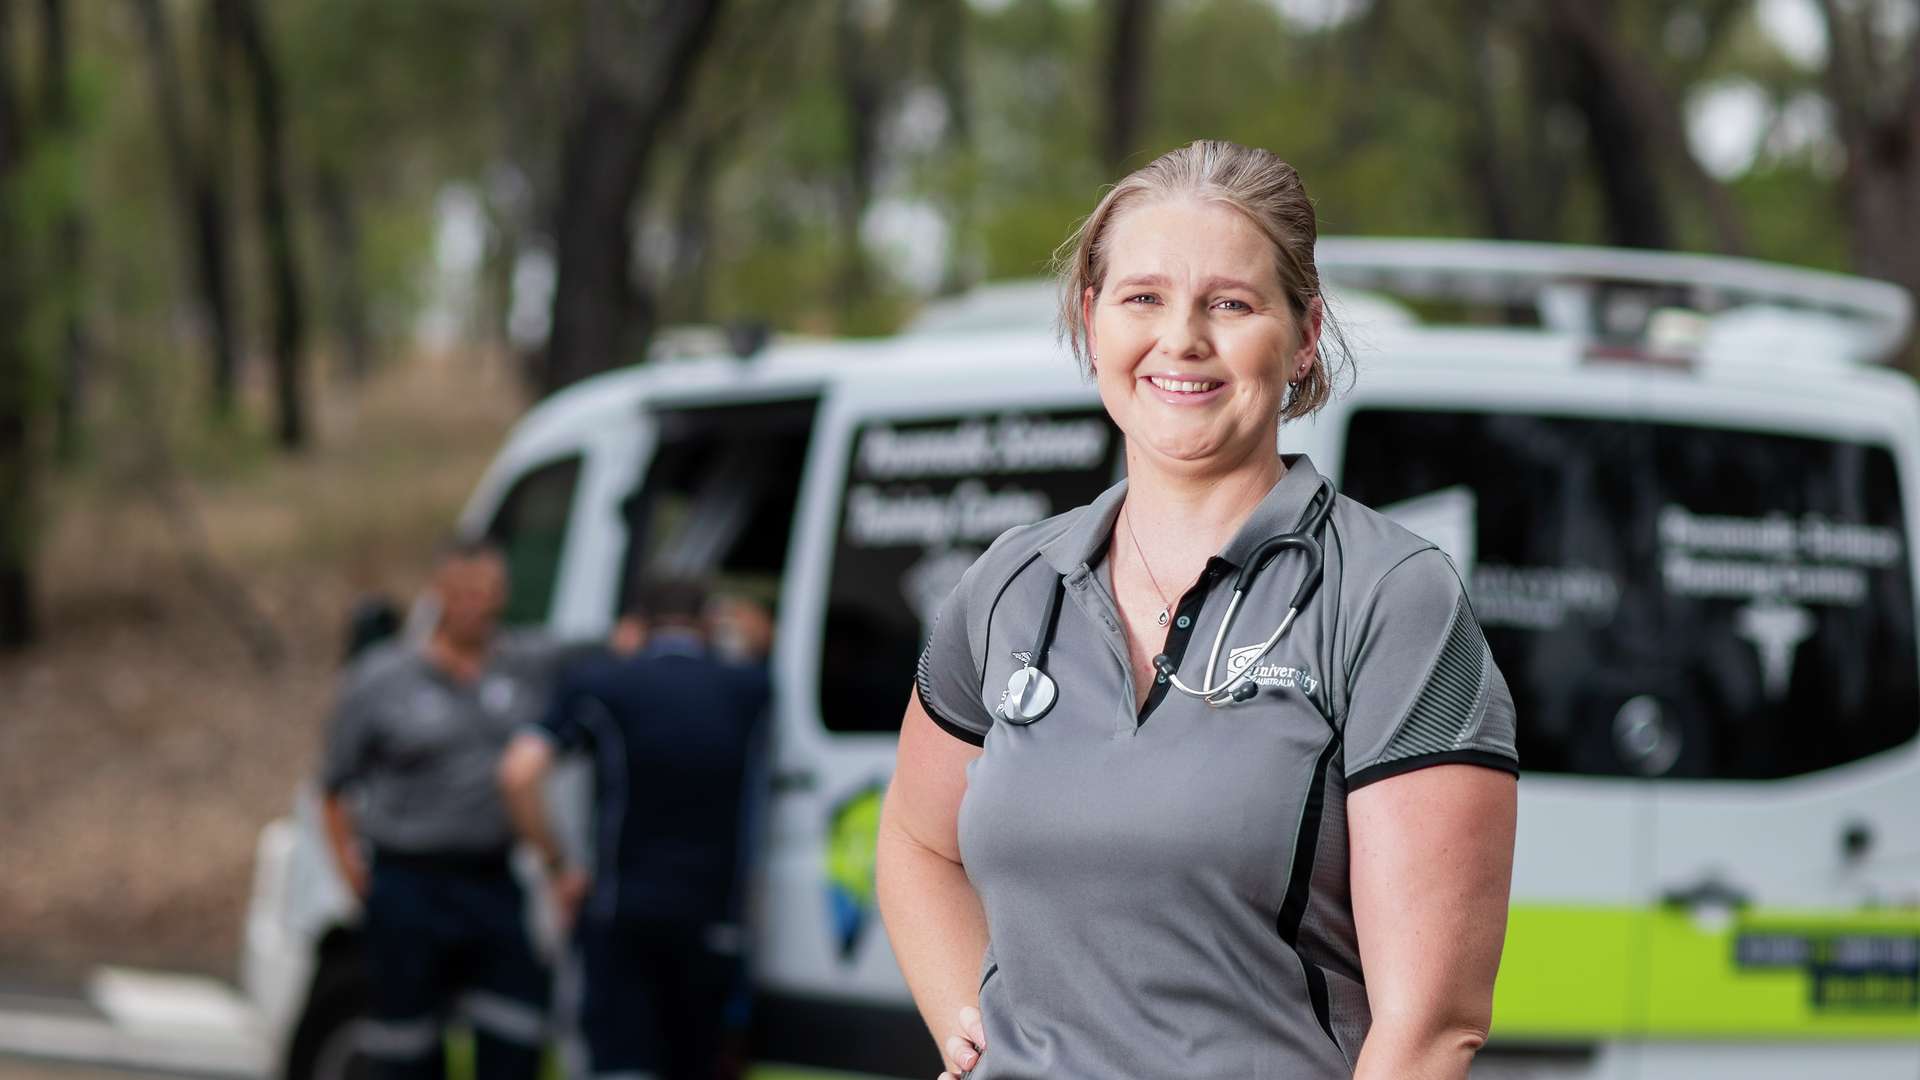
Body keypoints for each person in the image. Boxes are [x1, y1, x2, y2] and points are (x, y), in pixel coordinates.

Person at [875, 140, 1519, 1080]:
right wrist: (966, 1025)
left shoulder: (1389, 596)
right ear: (1093, 320)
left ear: (1303, 334)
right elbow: (915, 839)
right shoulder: (1013, 583)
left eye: (1230, 303)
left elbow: (1432, 1027)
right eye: (1143, 298)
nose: (1182, 337)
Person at [498, 578, 774, 1080]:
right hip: (712, 920)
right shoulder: (749, 687)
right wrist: (736, 619)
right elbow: (761, 635)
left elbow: (518, 774)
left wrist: (560, 866)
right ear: (708, 621)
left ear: (636, 625)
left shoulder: (604, 683)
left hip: (622, 913)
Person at [319, 541, 556, 1080]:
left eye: (491, 592)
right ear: (438, 594)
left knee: (515, 1034)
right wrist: (356, 877)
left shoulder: (527, 668)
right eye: (466, 592)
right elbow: (333, 788)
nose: (480, 605)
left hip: (491, 880)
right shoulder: (381, 679)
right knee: (406, 1048)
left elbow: (608, 653)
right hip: (410, 882)